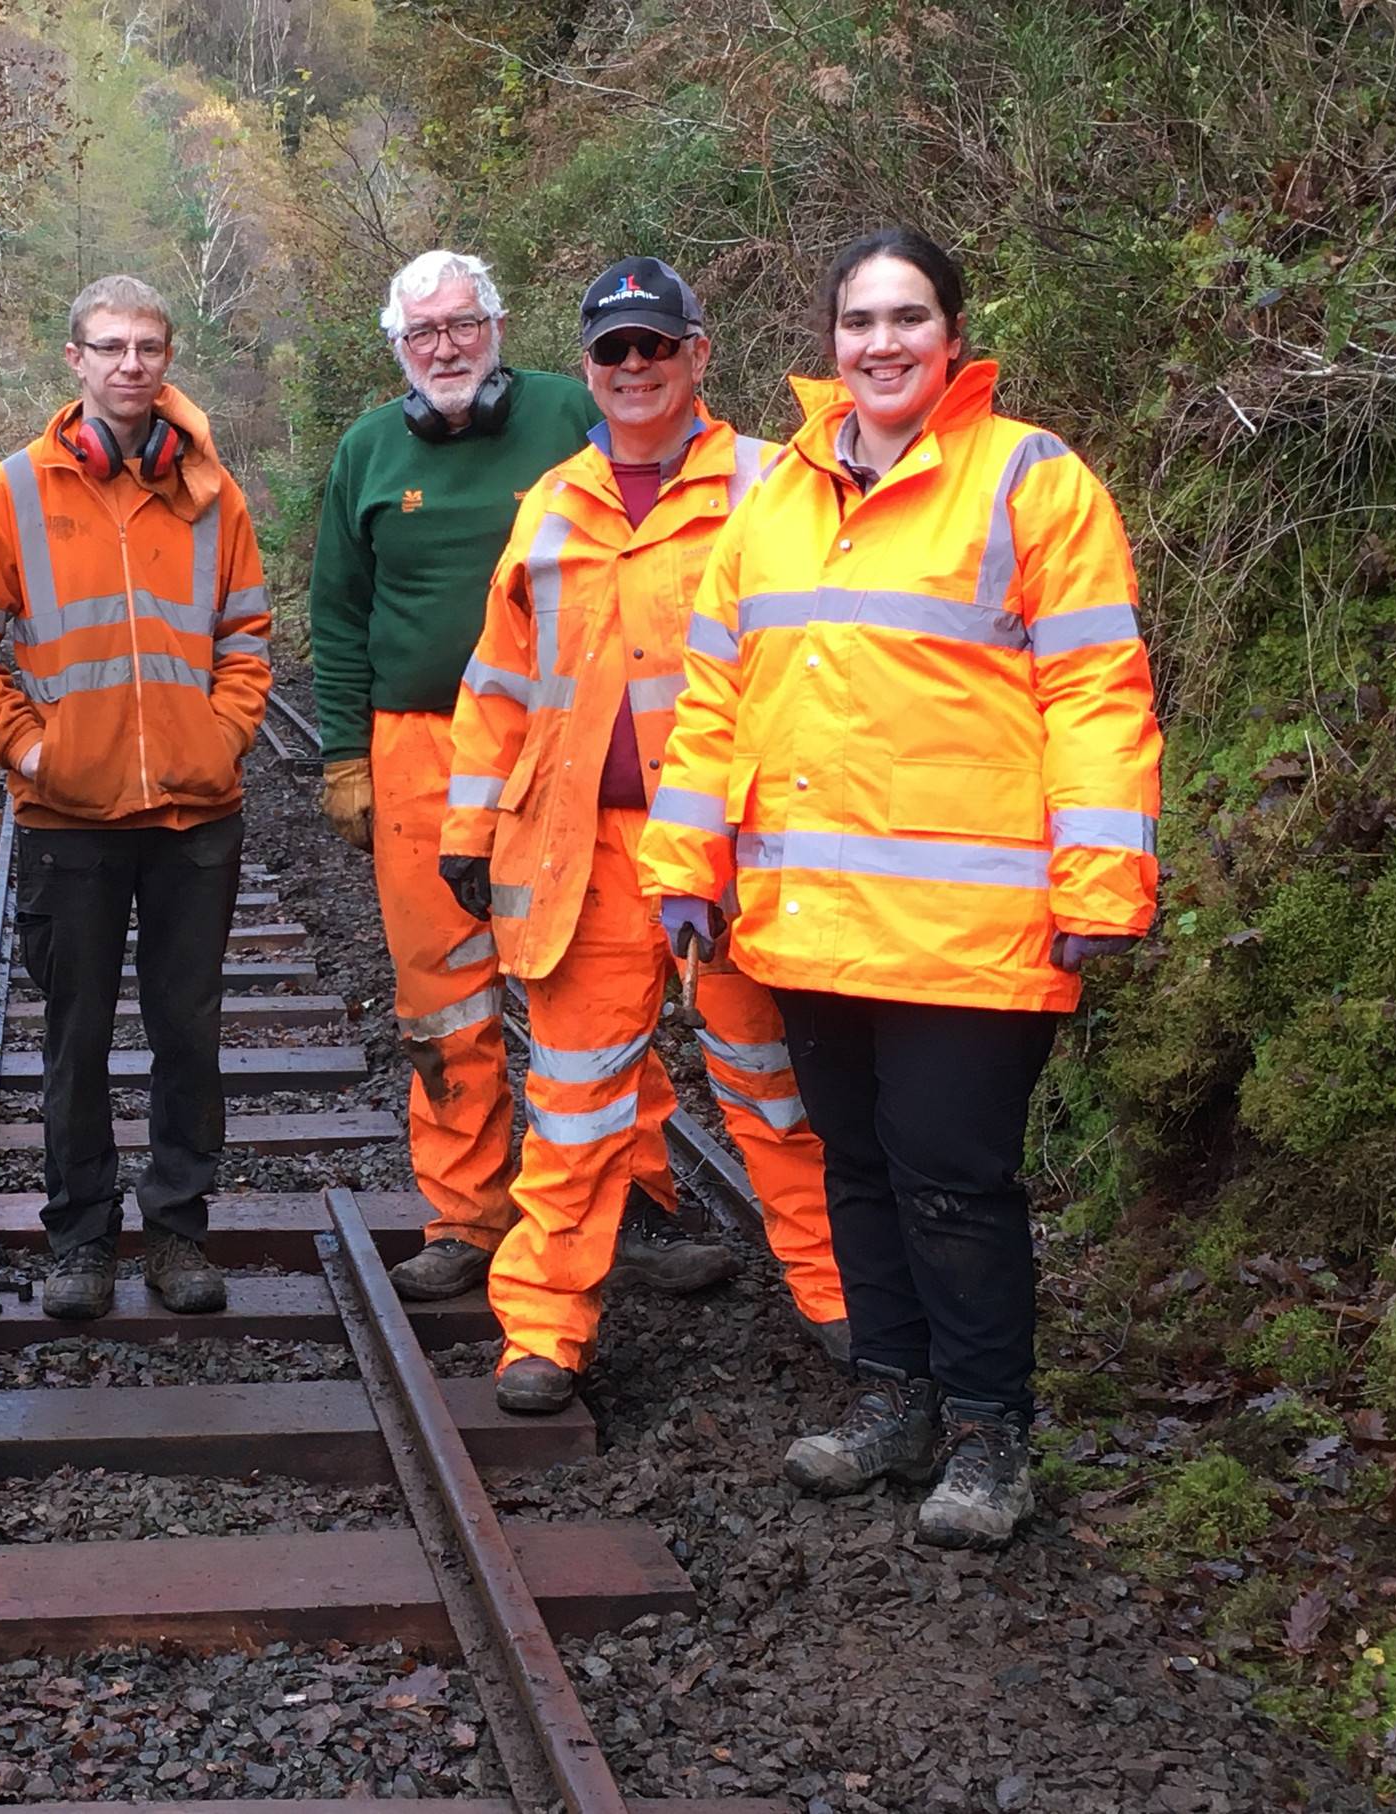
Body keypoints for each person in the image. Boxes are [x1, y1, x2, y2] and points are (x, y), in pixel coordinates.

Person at [637, 228, 1163, 1547]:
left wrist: (1099, 882)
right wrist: (685, 866)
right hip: (808, 922)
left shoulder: (1025, 481)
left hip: (969, 929)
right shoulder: (773, 502)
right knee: (852, 1167)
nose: (880, 342)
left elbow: (1093, 689)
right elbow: (714, 707)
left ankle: (988, 1431)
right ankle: (893, 1398)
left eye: (906, 317)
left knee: (950, 1178)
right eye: (858, 319)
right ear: (827, 340)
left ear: (953, 334)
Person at [439, 257, 846, 1416]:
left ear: (695, 353)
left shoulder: (775, 488)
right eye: (611, 352)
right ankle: (542, 1329)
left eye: (652, 347)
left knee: (775, 1090)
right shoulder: (551, 506)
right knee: (571, 1099)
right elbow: (500, 686)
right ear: (586, 368)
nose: (632, 368)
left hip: (730, 853)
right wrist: (471, 825)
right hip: (586, 854)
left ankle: (838, 1297)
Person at [0, 274, 271, 1322]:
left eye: (149, 347)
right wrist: (32, 752)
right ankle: (78, 1237)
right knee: (73, 1037)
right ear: (72, 360)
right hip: (66, 821)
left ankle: (177, 1231)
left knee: (189, 1032)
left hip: (193, 816)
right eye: (110, 346)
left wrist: (217, 739)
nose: (131, 364)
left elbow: (247, 636)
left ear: (168, 361)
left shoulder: (213, 491)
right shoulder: (11, 493)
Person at [304, 251, 602, 1303]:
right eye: (422, 332)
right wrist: (344, 753)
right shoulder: (369, 452)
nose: (445, 346)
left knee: (588, 985)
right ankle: (465, 1214)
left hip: (559, 747)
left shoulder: (573, 414)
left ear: (498, 325)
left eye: (462, 324)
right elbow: (336, 614)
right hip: (418, 745)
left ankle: (625, 1207)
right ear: (395, 347)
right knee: (442, 996)